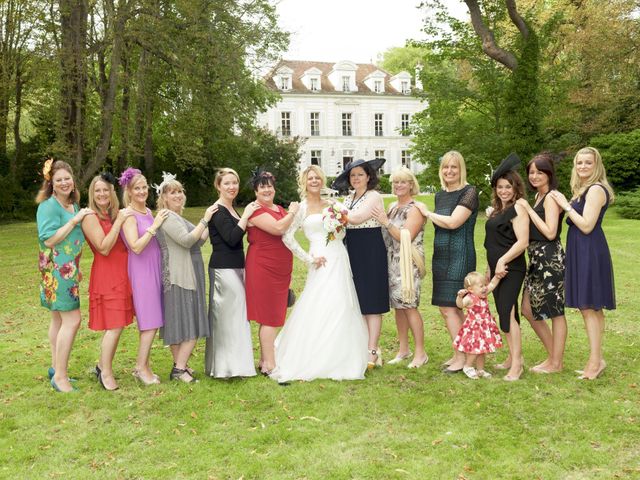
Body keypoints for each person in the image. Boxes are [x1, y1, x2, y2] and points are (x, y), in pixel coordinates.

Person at [270, 165, 369, 383]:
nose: (314, 181)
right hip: (319, 259)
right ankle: (310, 354)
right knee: (318, 302)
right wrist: (309, 258)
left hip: (338, 256)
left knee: (342, 303)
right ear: (304, 182)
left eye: (317, 178)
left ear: (322, 180)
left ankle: (340, 356)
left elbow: (344, 230)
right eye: (310, 178)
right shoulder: (301, 208)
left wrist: (337, 226)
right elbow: (287, 237)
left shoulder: (333, 204)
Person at [549, 147, 615, 380]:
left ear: (596, 165)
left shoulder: (596, 189)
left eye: (588, 163)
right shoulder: (583, 190)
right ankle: (597, 359)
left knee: (589, 307)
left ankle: (595, 362)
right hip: (581, 249)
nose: (583, 166)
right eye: (579, 163)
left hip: (589, 249)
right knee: (591, 308)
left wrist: (566, 206)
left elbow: (586, 225)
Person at [417, 151, 478, 374]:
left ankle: (462, 357)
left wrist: (427, 213)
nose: (449, 171)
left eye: (454, 167)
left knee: (450, 306)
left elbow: (453, 222)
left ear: (461, 169)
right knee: (449, 309)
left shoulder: (469, 192)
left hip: (460, 254)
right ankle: (458, 353)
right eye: (446, 167)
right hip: (441, 256)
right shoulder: (440, 195)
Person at [36, 159, 94, 392]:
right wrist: (75, 220)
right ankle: (60, 377)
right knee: (73, 320)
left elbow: (72, 241)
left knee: (58, 319)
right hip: (57, 271)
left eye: (67, 178)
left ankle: (55, 368)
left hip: (68, 269)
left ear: (73, 179)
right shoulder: (49, 207)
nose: (64, 183)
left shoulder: (73, 204)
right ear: (51, 183)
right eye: (58, 179)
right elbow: (49, 239)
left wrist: (77, 265)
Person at [155, 173, 216, 383]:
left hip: (188, 272)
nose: (178, 195)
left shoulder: (178, 217)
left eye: (180, 191)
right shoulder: (167, 216)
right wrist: (205, 219)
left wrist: (209, 223)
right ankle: (179, 369)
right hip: (180, 275)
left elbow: (200, 239)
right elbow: (188, 240)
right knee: (190, 322)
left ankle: (180, 367)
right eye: (173, 192)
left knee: (181, 322)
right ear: (163, 197)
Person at [332, 158, 389, 369]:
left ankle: (373, 351)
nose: (356, 178)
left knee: (371, 302)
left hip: (370, 249)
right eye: (352, 175)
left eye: (360, 174)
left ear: (368, 177)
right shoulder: (348, 198)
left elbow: (356, 218)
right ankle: (360, 346)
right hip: (352, 249)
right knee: (357, 300)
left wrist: (333, 208)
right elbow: (343, 223)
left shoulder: (373, 196)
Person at [515, 153, 567, 374]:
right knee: (527, 309)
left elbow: (550, 231)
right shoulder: (538, 196)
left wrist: (527, 210)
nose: (534, 176)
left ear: (549, 174)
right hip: (535, 257)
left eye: (539, 172)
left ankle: (556, 362)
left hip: (550, 257)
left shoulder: (552, 197)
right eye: (531, 172)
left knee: (555, 312)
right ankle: (553, 357)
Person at [372, 167, 429, 369]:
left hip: (407, 262)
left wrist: (386, 222)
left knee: (410, 305)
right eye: (395, 182)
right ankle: (404, 349)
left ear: (411, 185)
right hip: (391, 262)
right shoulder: (392, 206)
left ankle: (421, 352)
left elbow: (405, 236)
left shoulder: (415, 209)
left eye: (403, 182)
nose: (398, 185)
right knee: (399, 307)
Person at [205, 168, 260, 378]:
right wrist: (246, 216)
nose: (232, 187)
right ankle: (224, 367)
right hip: (223, 268)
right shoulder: (218, 210)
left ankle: (238, 364)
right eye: (226, 183)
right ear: (218, 186)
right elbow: (232, 237)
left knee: (237, 316)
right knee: (225, 318)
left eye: (235, 183)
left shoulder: (231, 209)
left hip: (237, 266)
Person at [82, 173, 134, 391]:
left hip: (124, 275)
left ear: (112, 192)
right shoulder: (90, 216)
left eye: (106, 189)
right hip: (107, 277)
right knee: (114, 326)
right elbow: (103, 247)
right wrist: (120, 221)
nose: (102, 194)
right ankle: (106, 373)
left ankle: (100, 366)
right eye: (97, 190)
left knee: (118, 326)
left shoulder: (113, 214)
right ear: (92, 194)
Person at [245, 170, 299, 375]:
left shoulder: (278, 208)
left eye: (269, 186)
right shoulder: (256, 211)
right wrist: (293, 212)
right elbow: (278, 228)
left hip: (280, 267)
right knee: (269, 316)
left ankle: (264, 360)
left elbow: (291, 229)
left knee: (275, 313)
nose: (267, 190)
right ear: (256, 191)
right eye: (262, 187)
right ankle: (270, 365)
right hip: (263, 266)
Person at [120, 167, 169, 385]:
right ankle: (140, 368)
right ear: (129, 192)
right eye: (136, 188)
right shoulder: (129, 215)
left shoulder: (147, 212)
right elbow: (135, 247)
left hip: (154, 268)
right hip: (141, 272)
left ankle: (144, 365)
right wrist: (155, 227)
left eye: (144, 187)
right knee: (149, 321)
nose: (141, 192)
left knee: (153, 320)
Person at [484, 153, 529, 381]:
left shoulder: (518, 209)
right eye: (500, 187)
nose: (504, 191)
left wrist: (502, 261)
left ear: (515, 188)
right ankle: (513, 357)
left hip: (512, 269)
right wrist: (489, 269)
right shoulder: (496, 211)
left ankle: (517, 365)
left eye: (508, 187)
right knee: (505, 313)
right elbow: (492, 244)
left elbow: (522, 241)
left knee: (507, 313)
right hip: (496, 269)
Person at [454, 272, 503, 379]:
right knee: (475, 349)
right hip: (474, 329)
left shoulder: (483, 294)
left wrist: (497, 276)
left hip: (485, 328)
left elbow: (492, 284)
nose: (485, 288)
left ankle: (480, 370)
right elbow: (460, 305)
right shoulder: (470, 298)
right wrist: (459, 296)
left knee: (482, 350)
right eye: (481, 286)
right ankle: (467, 366)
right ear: (471, 289)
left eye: (484, 285)